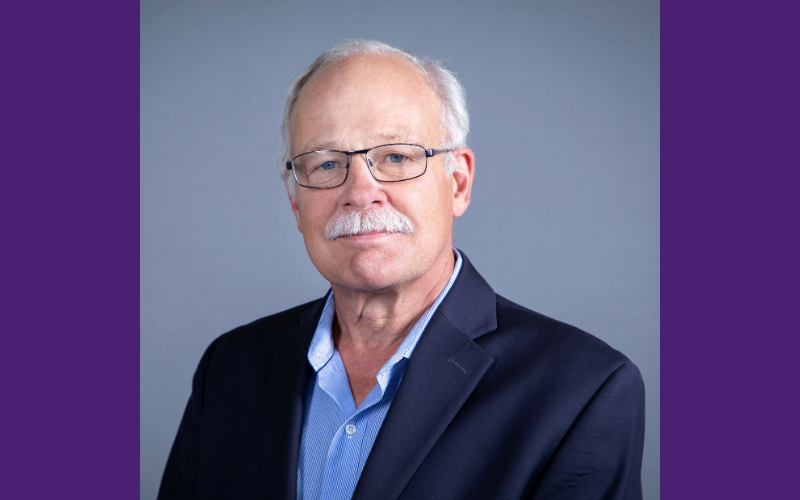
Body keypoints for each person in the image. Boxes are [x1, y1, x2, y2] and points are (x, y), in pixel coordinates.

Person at [158, 40, 645, 500]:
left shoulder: (582, 390)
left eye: (395, 156)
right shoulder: (230, 369)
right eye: (325, 164)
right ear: (296, 202)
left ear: (458, 183)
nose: (360, 191)